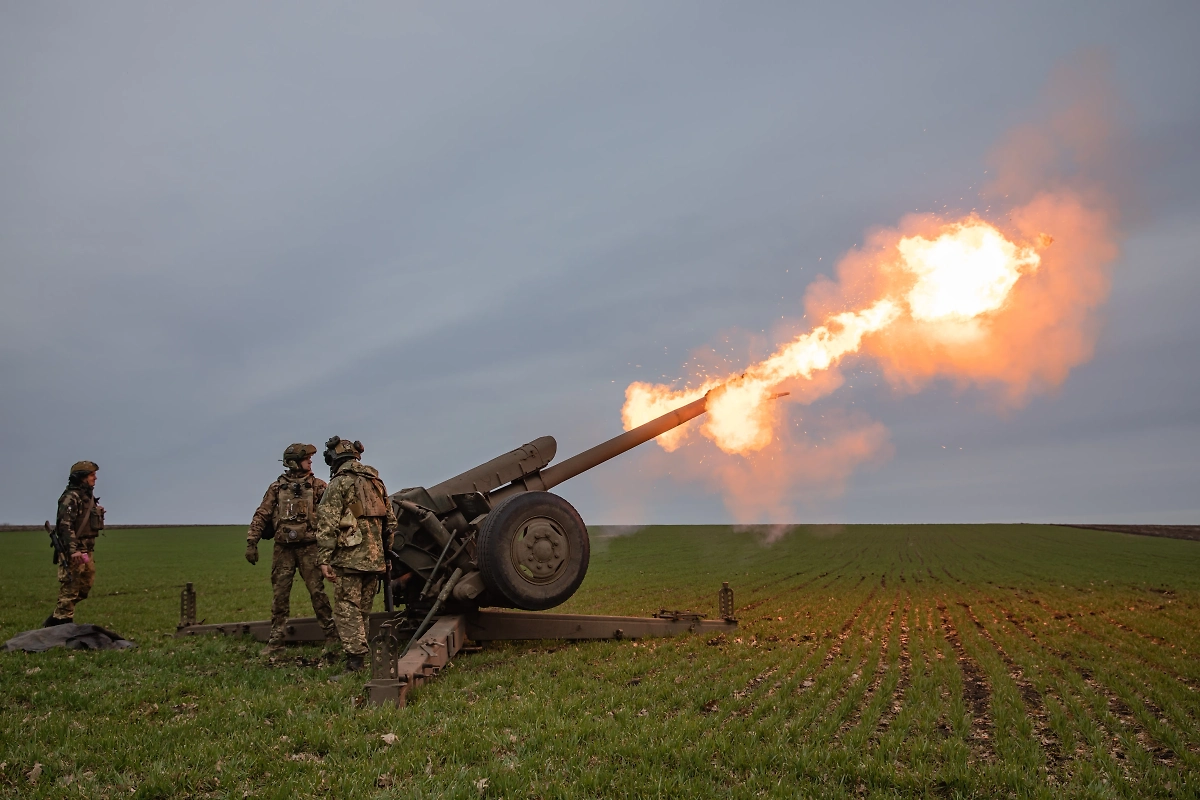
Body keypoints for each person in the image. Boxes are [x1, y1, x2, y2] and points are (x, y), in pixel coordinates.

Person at [246, 443, 338, 656]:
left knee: (318, 594)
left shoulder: (318, 486)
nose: (310, 461)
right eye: (306, 458)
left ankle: (332, 637)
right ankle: (276, 641)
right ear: (294, 462)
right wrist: (252, 542)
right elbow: (262, 514)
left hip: (310, 548)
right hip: (283, 549)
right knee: (280, 596)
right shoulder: (277, 488)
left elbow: (332, 515)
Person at [315, 437, 398, 672]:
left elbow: (327, 523)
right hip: (375, 558)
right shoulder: (376, 482)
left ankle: (355, 662)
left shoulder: (339, 483)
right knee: (363, 610)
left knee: (347, 608)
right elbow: (391, 523)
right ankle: (361, 655)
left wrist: (324, 559)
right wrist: (385, 554)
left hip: (349, 559)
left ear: (334, 459)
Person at [45, 461, 105, 627]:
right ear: (81, 477)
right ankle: (63, 623)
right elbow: (65, 526)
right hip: (75, 552)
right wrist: (73, 551)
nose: (95, 478)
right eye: (92, 475)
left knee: (84, 586)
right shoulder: (70, 498)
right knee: (70, 588)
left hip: (86, 550)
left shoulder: (87, 497)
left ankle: (56, 618)